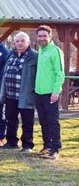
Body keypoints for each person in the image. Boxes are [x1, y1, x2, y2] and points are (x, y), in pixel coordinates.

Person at [34, 25, 65, 160]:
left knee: (53, 121)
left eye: (44, 36)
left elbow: (60, 73)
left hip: (51, 93)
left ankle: (55, 149)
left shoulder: (55, 51)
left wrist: (56, 91)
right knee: (43, 121)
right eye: (40, 36)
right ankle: (47, 146)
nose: (42, 38)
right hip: (39, 92)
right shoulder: (40, 50)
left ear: (50, 36)